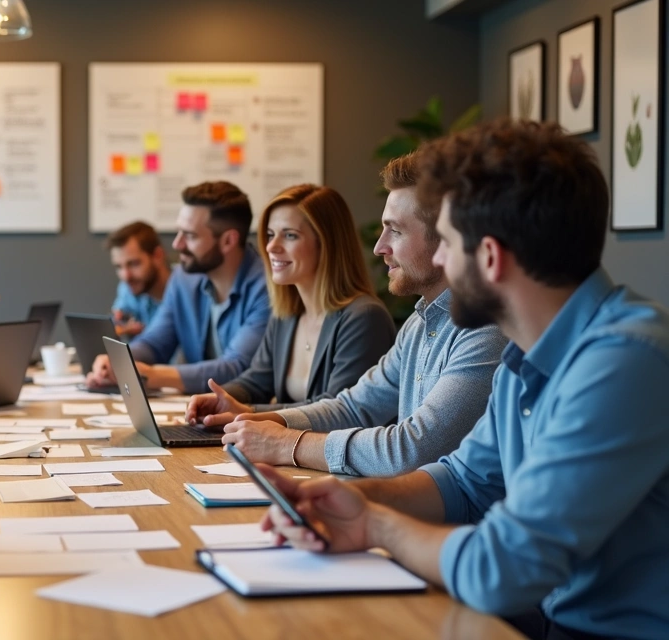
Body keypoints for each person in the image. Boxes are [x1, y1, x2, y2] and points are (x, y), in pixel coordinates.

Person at [259, 119, 669, 640]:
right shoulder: (528, 354)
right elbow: (466, 480)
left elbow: (503, 569)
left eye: (448, 243)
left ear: (491, 258)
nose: (440, 261)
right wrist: (355, 499)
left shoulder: (624, 361)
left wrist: (375, 525)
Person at [220, 154, 507, 477]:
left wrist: (287, 444)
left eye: (395, 231)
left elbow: (412, 450)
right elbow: (354, 406)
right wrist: (264, 422)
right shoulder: (418, 324)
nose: (379, 247)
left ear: (445, 237)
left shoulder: (486, 330)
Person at [185, 184, 395, 424]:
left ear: (326, 244)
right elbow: (256, 381)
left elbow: (338, 411)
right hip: (291, 456)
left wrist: (249, 412)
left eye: (290, 235)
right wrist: (221, 398)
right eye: (271, 234)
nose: (271, 247)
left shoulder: (364, 317)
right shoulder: (286, 315)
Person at [86, 181, 270, 394]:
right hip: (199, 411)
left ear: (228, 241)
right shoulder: (184, 278)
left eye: (190, 236)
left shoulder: (267, 289)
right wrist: (119, 361)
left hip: (248, 416)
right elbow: (155, 343)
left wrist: (153, 375)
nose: (177, 244)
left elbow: (237, 367)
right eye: (179, 232)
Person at [106, 221, 171, 338]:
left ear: (158, 256)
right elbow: (116, 321)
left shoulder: (185, 290)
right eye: (118, 267)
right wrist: (119, 325)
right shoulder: (127, 288)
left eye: (133, 264)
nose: (126, 276)